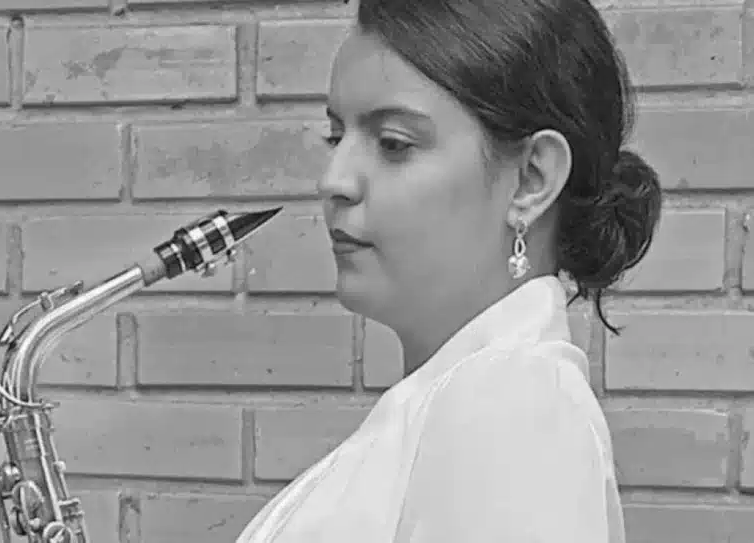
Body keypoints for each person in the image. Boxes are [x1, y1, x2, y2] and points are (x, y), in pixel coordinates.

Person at [236, 0, 662, 541]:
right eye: (336, 137)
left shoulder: (514, 404)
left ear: (531, 180)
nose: (334, 180)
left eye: (393, 144)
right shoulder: (460, 398)